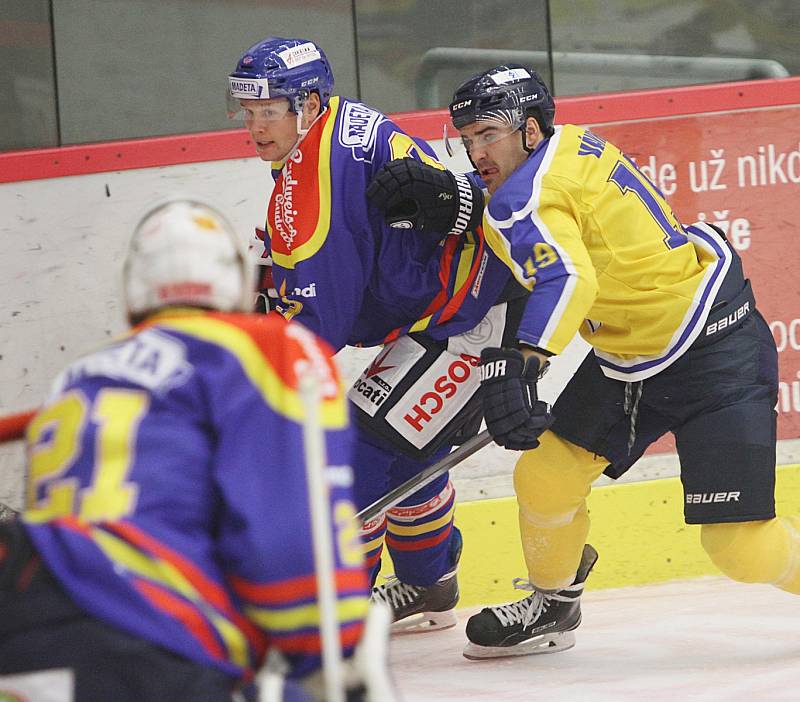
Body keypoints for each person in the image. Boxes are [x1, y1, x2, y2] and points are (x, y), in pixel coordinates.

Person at [367, 63, 799, 659]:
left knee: (740, 548)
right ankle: (553, 602)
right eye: (466, 138)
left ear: (531, 130)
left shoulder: (524, 195)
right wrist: (463, 197)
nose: (475, 150)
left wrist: (520, 361)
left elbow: (567, 276)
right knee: (545, 475)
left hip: (712, 352)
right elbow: (556, 218)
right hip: (632, 352)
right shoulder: (569, 147)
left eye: (488, 134)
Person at [0, 199, 391, 701]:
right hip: (142, 626)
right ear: (235, 282)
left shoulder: (81, 377)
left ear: (133, 290)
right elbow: (289, 540)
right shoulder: (264, 346)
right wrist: (329, 654)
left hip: (21, 609)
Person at [228, 37, 522, 632]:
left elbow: (321, 323)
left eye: (269, 111)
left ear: (307, 104)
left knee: (363, 446)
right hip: (446, 301)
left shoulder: (318, 177)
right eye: (248, 111)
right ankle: (428, 579)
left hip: (472, 313)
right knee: (408, 446)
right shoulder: (334, 127)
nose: (255, 127)